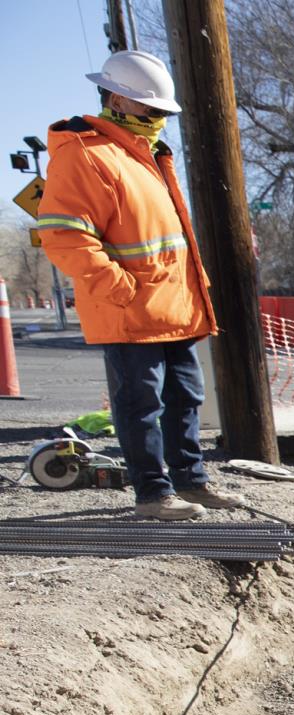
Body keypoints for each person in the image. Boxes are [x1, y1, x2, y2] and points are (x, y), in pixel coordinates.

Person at [35, 50, 241, 521]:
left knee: (185, 398)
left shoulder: (147, 157)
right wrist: (120, 288)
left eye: (163, 112)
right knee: (140, 405)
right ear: (117, 100)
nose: (159, 120)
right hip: (130, 310)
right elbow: (65, 237)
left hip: (173, 307)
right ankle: (153, 494)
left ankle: (192, 482)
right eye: (152, 110)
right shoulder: (86, 155)